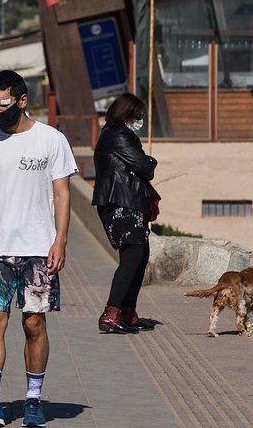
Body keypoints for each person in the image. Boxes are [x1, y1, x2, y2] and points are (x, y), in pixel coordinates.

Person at [0, 70, 77, 428]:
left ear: (22, 100)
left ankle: (34, 400)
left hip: (39, 249)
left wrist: (60, 240)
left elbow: (62, 193)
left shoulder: (51, 140)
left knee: (34, 323)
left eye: (3, 103)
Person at [92, 93, 161, 334]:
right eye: (138, 116)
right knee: (131, 259)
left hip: (126, 202)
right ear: (127, 115)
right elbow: (144, 166)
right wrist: (151, 162)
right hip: (123, 203)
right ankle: (111, 314)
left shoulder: (110, 134)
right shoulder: (120, 135)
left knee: (140, 258)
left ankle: (128, 313)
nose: (140, 120)